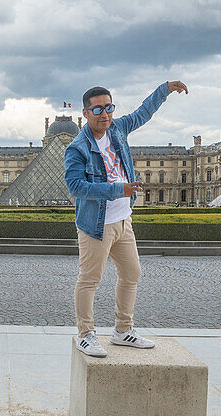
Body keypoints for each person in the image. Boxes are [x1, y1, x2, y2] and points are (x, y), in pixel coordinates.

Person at [64, 81, 189, 357]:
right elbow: (76, 187)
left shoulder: (118, 128)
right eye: (98, 109)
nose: (105, 114)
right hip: (96, 225)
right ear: (86, 113)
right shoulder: (77, 148)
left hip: (123, 220)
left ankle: (123, 330)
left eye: (109, 107)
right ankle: (85, 334)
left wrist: (165, 89)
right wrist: (118, 189)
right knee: (89, 280)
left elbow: (144, 112)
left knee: (132, 273)